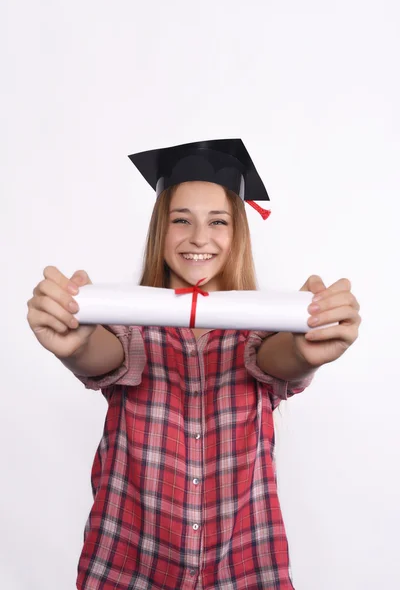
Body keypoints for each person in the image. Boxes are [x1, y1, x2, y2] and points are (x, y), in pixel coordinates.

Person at [27, 139, 361, 589]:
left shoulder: (261, 326)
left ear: (238, 232)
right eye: (180, 220)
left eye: (218, 221)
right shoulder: (131, 320)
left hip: (242, 567)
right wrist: (75, 342)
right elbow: (104, 354)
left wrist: (307, 346)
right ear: (158, 231)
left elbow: (277, 359)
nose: (199, 238)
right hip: (129, 566)